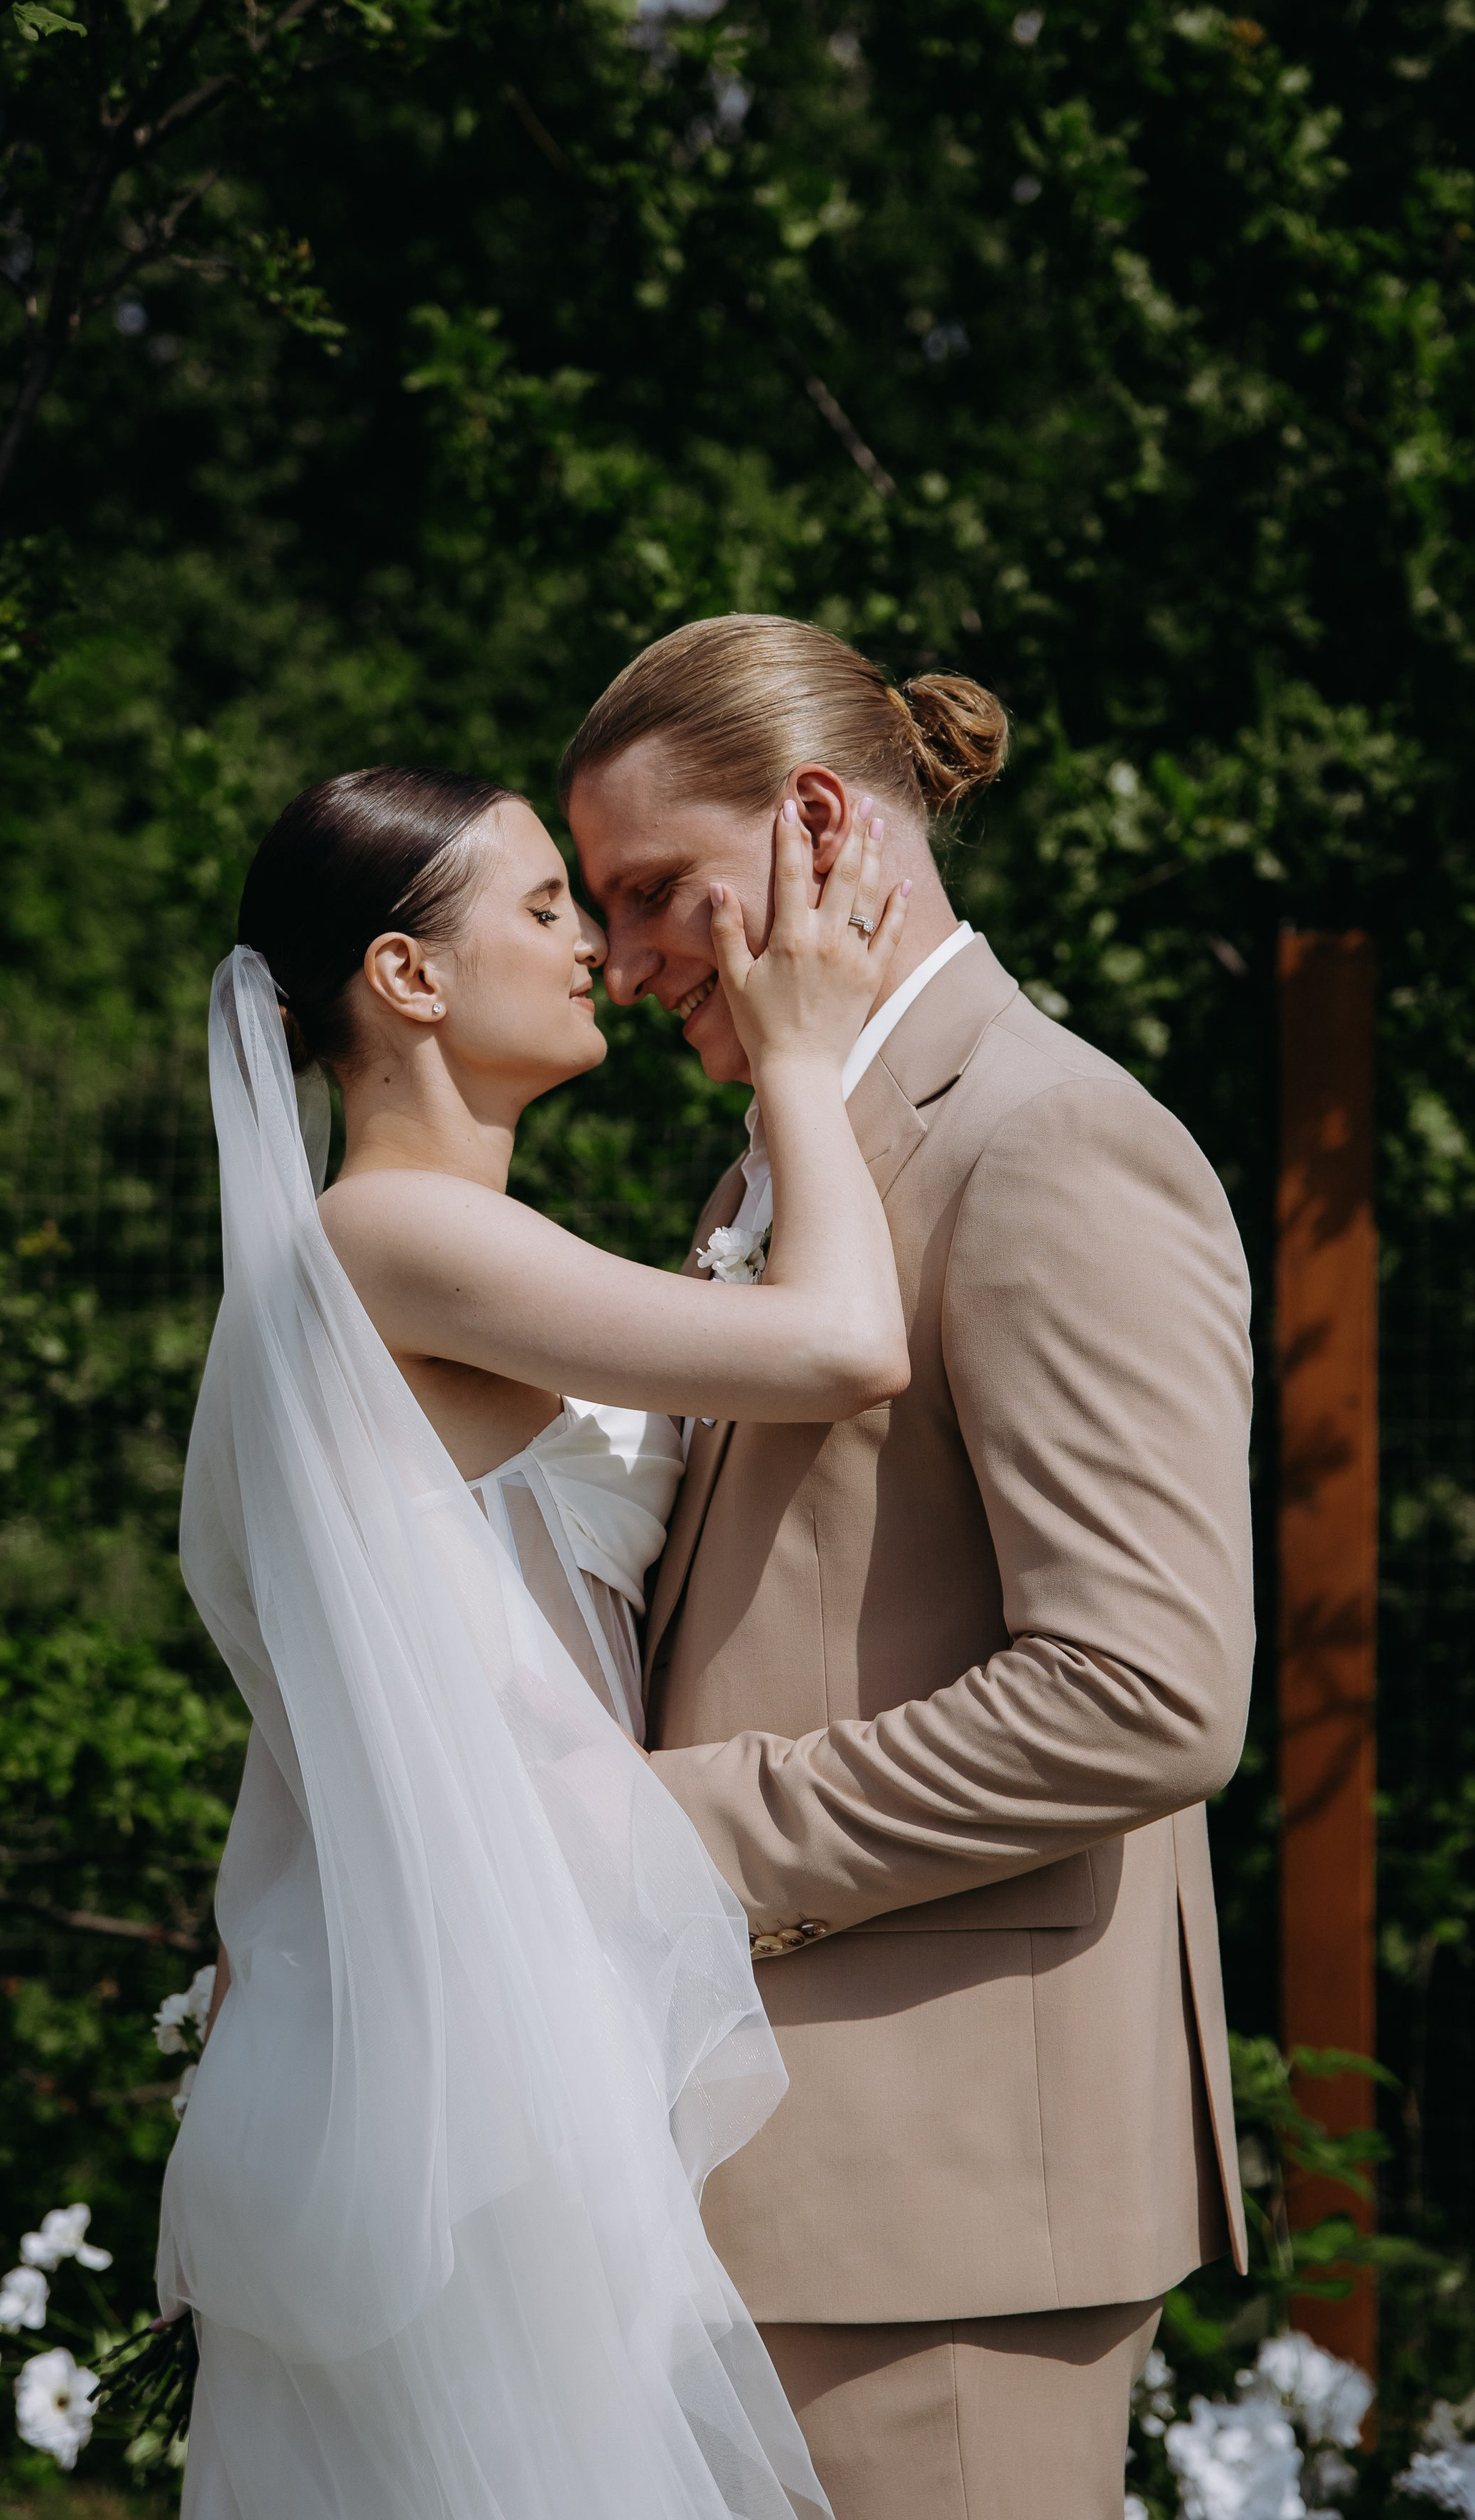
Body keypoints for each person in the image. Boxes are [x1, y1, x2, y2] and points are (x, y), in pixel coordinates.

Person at [157, 764, 910, 2520]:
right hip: (481, 2039)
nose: (604, 950)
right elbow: (844, 1344)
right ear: (408, 980)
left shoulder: (423, 1247)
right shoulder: (386, 1235)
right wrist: (798, 1056)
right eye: (546, 906)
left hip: (508, 2001)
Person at [563, 613, 1256, 2520]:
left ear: (814, 825)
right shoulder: (777, 1163)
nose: (620, 969)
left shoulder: (1050, 1145)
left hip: (950, 2223)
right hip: (761, 2180)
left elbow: (1147, 1694)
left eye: (652, 897)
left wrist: (664, 1836)